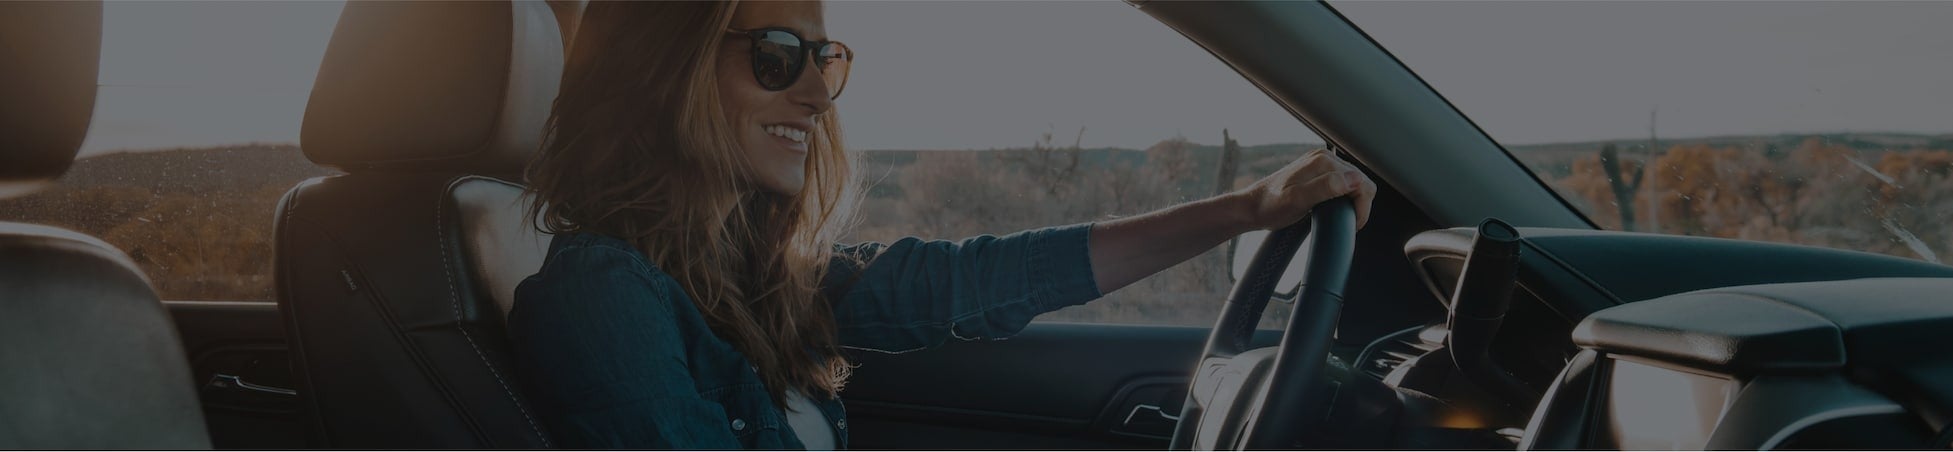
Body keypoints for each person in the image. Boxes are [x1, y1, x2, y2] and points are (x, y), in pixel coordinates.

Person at [507, 0, 1378, 449]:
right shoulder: (601, 294)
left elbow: (977, 279)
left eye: (826, 58)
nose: (815, 93)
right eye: (776, 56)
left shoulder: (750, 274)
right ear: (667, 73)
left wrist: (1246, 210)